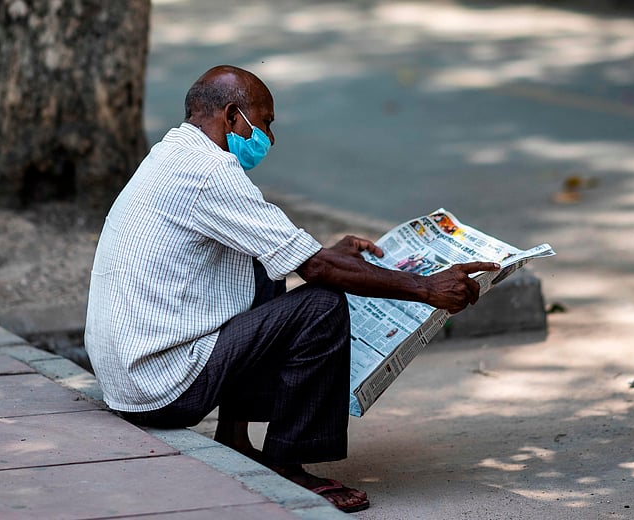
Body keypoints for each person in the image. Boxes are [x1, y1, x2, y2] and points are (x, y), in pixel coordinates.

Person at [84, 65, 498, 513]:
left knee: (266, 264)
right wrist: (425, 287)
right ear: (231, 116)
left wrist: (331, 255)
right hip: (159, 387)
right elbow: (316, 269)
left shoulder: (172, 154)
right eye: (265, 123)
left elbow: (293, 252)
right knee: (321, 306)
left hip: (128, 375)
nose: (270, 138)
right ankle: (287, 464)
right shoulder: (210, 171)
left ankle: (236, 439)